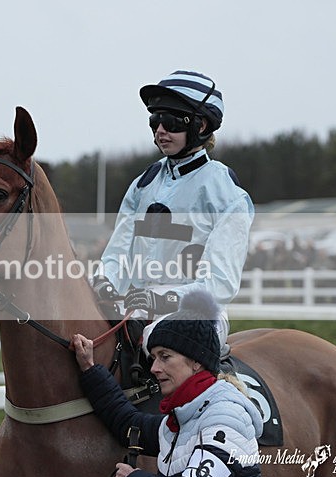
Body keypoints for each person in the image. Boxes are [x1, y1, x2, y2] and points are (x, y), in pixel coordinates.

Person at [93, 70, 254, 348]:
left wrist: (161, 299)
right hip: (135, 307)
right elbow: (117, 255)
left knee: (159, 344)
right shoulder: (142, 184)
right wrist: (104, 283)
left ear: (200, 126)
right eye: (155, 121)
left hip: (196, 315)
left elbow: (220, 282)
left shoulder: (225, 191)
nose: (160, 130)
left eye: (170, 121)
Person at [72, 290, 263, 477]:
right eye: (153, 358)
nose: (154, 368)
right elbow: (128, 423)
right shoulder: (185, 417)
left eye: (165, 357)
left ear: (196, 362)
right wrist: (90, 369)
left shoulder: (224, 417)